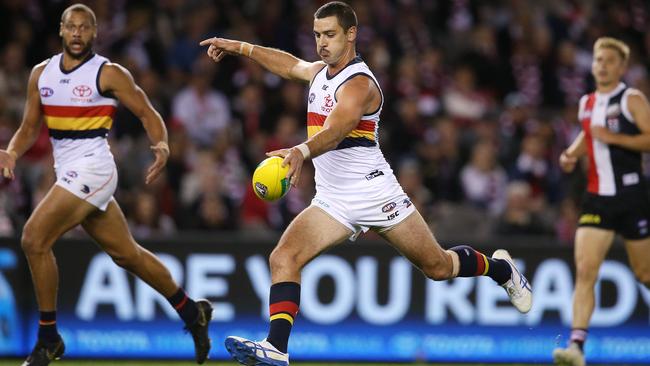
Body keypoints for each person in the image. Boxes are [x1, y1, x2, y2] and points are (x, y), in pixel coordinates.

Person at [201, 2, 532, 366]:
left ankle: (503, 270)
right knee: (284, 256)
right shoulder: (320, 73)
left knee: (438, 267)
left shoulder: (360, 83)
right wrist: (243, 48)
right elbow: (289, 65)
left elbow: (338, 129)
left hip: (376, 194)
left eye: (330, 35)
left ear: (351, 34)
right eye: (317, 35)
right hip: (333, 201)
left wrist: (300, 150)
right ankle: (277, 347)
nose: (322, 43)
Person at [0, 4, 213, 365]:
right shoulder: (41, 74)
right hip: (70, 171)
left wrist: (161, 144)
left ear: (94, 33)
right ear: (61, 31)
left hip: (94, 168)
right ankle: (193, 312)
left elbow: (148, 111)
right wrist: (12, 152)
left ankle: (48, 337)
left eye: (85, 27)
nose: (78, 33)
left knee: (33, 239)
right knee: (127, 255)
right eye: (72, 27)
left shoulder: (108, 73)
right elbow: (29, 127)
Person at [553, 37, 650, 366]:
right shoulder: (587, 103)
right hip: (596, 199)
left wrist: (616, 138)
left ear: (622, 67)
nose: (602, 66)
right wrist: (570, 154)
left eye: (609, 60)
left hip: (632, 197)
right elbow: (587, 133)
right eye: (598, 60)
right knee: (585, 270)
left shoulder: (631, 99)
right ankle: (576, 346)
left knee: (646, 274)